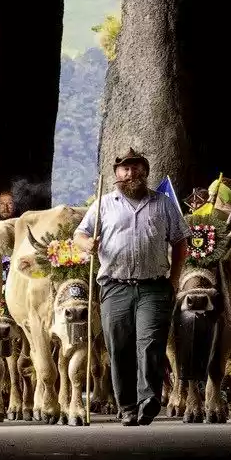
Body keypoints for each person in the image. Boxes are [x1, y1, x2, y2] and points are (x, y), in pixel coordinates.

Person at [73, 147, 188, 426]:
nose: (131, 172)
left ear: (145, 172)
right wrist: (87, 244)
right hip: (115, 286)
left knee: (150, 342)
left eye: (136, 167)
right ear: (116, 175)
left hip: (153, 287)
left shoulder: (162, 203)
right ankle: (126, 405)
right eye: (125, 168)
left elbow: (180, 241)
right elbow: (79, 233)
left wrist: (173, 281)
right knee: (119, 346)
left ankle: (148, 399)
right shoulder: (103, 204)